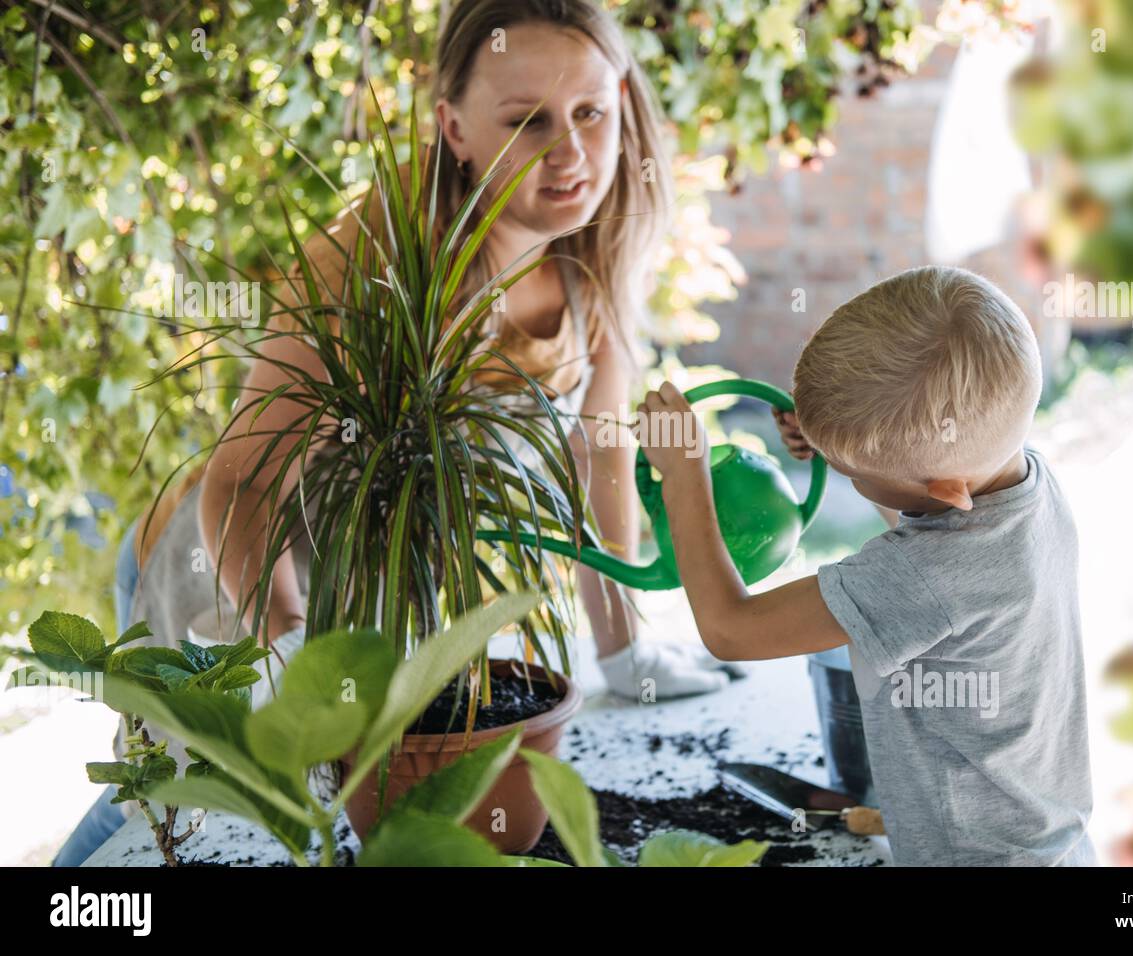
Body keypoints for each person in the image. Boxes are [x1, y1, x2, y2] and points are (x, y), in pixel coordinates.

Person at [52, 0, 741, 867]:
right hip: (230, 576)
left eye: (590, 112)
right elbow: (245, 481)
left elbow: (596, 454)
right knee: (160, 811)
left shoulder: (594, 251)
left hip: (371, 602)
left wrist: (624, 648)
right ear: (453, 127)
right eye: (525, 120)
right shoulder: (376, 252)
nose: (569, 152)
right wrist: (288, 649)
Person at [637, 266, 1097, 865]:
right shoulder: (1026, 482)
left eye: (852, 475)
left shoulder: (921, 574)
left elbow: (731, 628)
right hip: (1052, 842)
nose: (846, 478)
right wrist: (845, 442)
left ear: (947, 487)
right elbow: (925, 511)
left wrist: (684, 480)